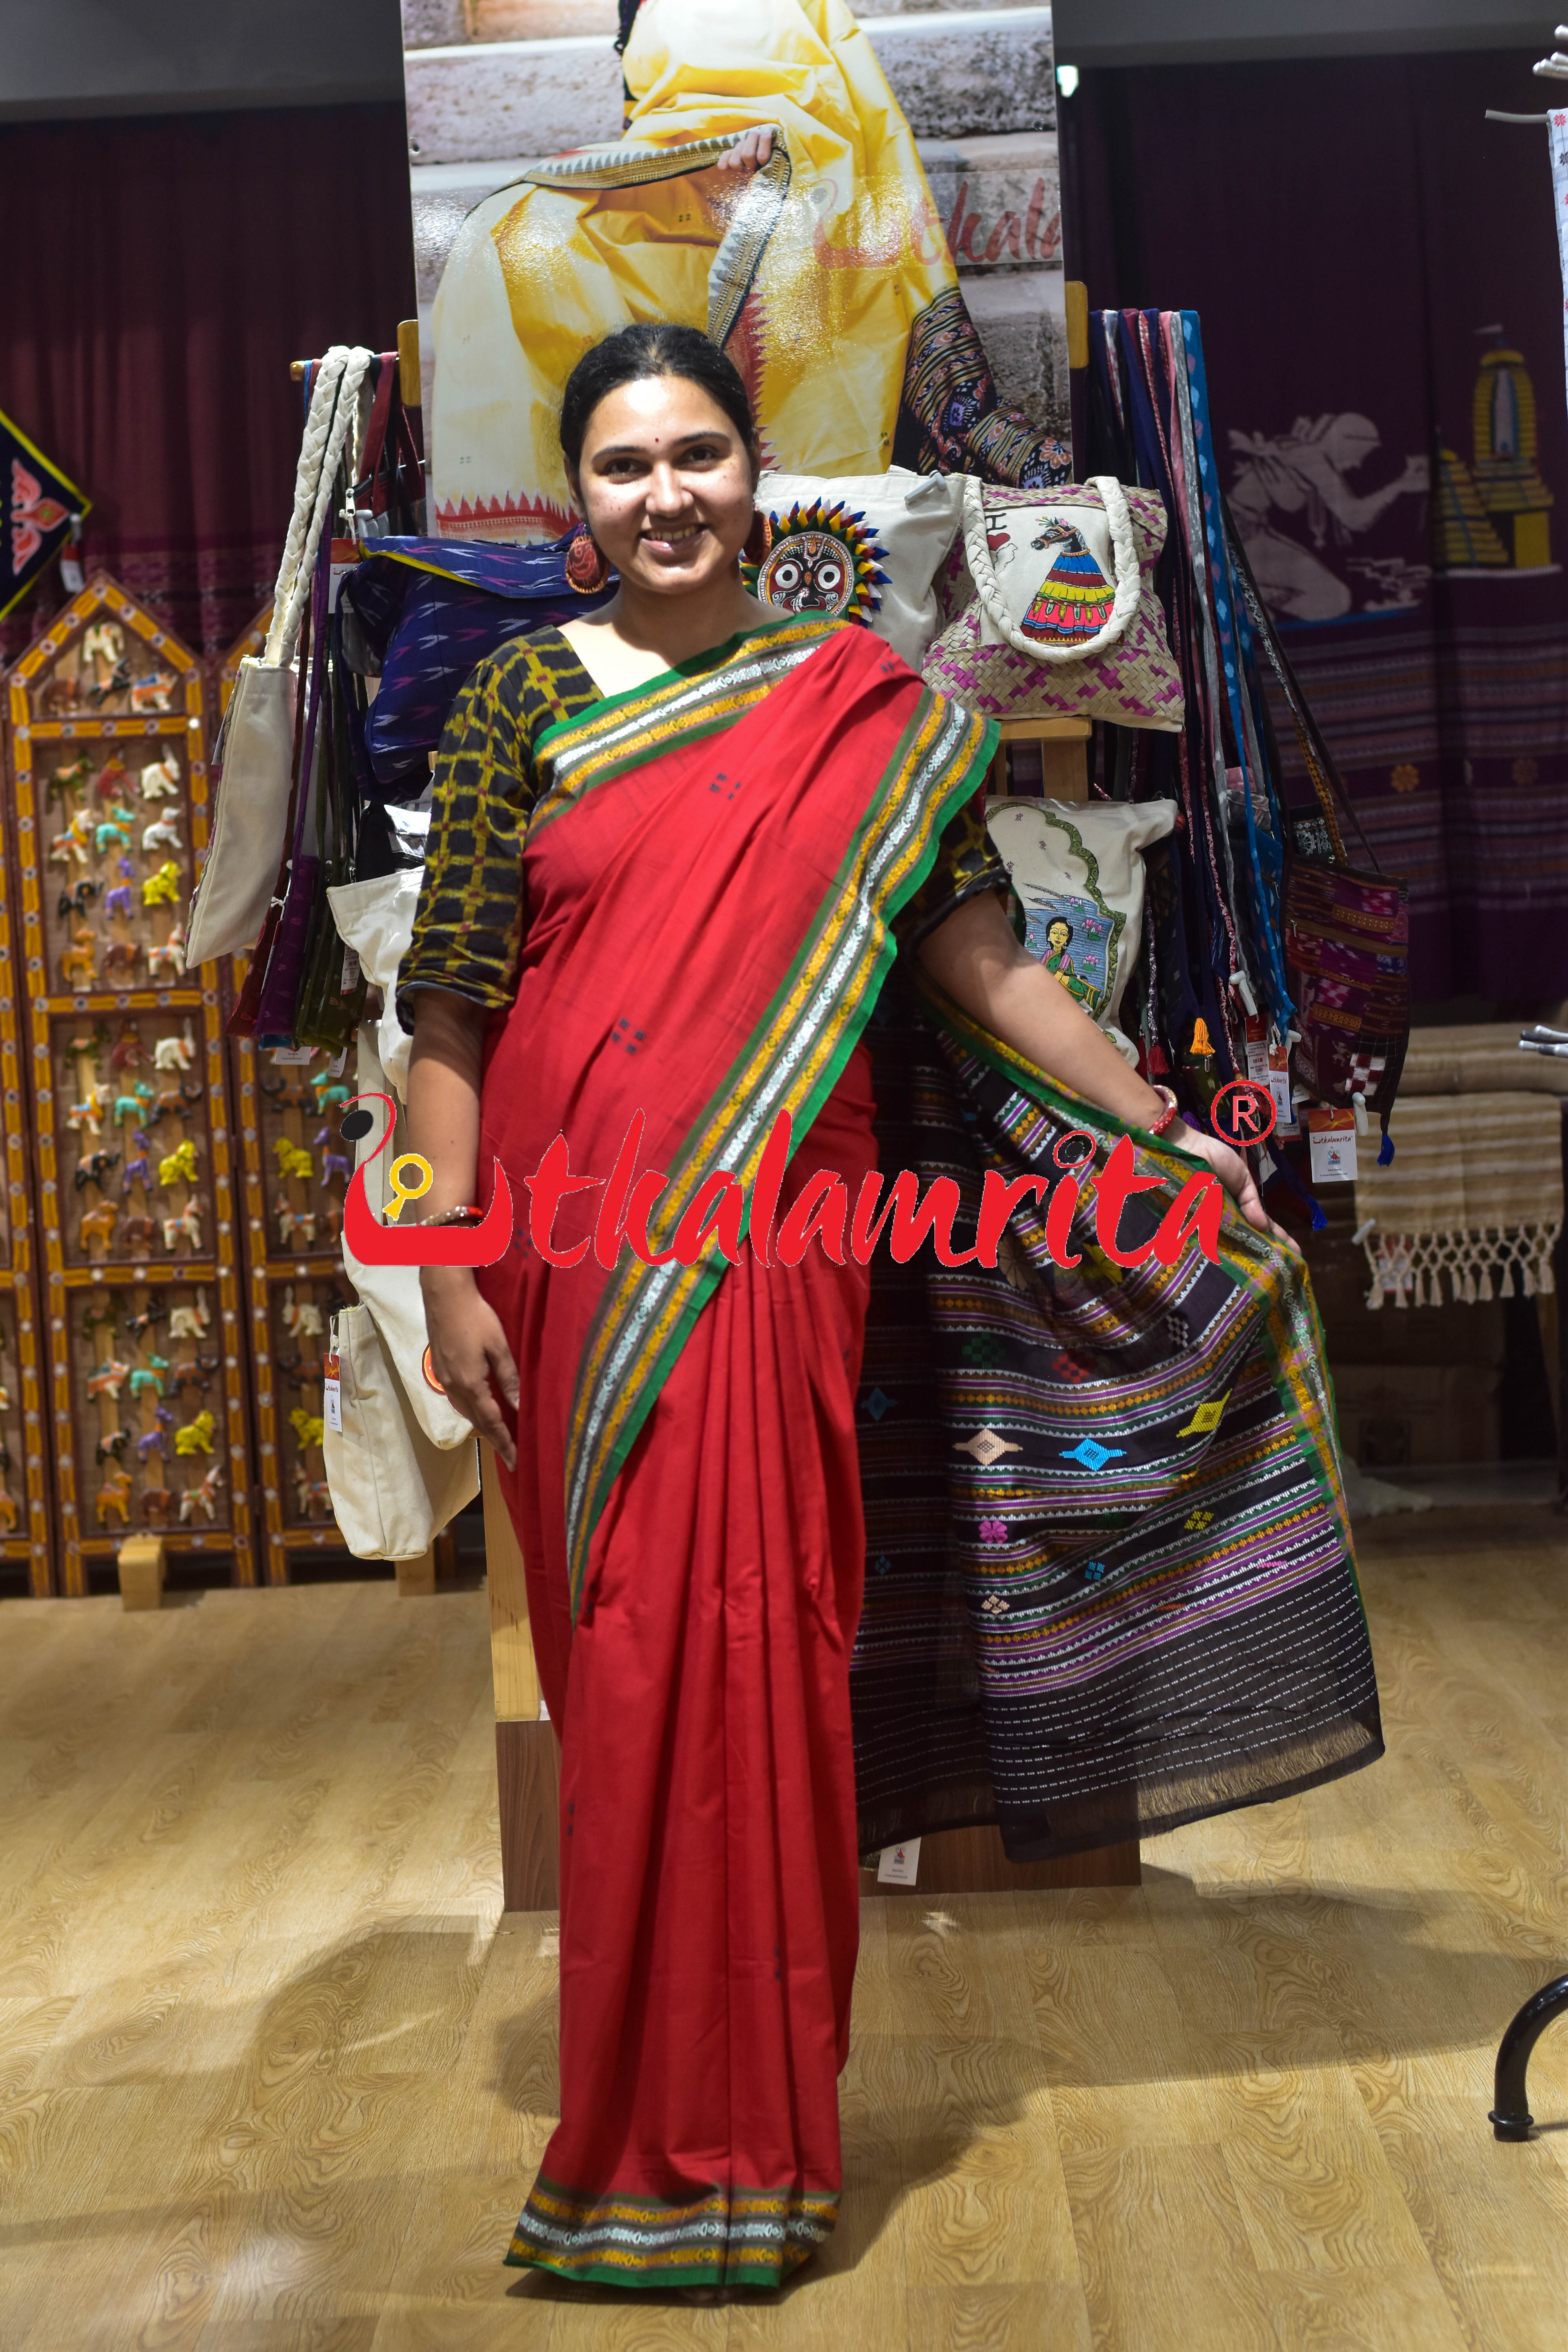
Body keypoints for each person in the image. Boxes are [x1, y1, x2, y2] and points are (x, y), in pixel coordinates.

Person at [397, 320, 1378, 2294]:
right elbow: (447, 1010)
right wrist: (436, 1264)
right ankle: (630, 2132)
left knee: (764, 1646)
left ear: (755, 474)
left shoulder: (872, 712)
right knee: (627, 1677)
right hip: (572, 1262)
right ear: (578, 500)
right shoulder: (518, 700)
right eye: (622, 466)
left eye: (695, 454)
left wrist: (1153, 1124)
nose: (664, 494)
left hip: (779, 1242)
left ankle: (754, 2144)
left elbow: (984, 964)